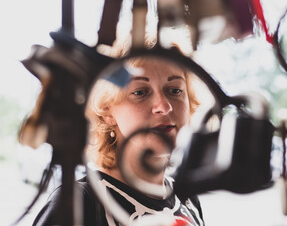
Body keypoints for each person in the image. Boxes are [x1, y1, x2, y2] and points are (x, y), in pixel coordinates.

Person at [32, 28, 205, 226]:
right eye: (140, 92)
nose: (164, 107)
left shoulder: (188, 198)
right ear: (107, 111)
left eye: (175, 90)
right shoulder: (78, 203)